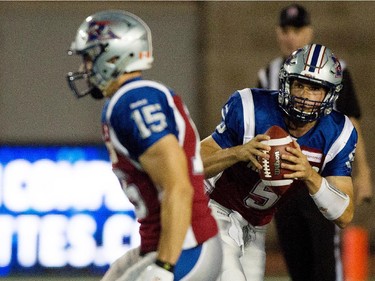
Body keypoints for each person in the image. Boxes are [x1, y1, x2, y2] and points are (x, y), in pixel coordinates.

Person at [66, 10, 222, 281]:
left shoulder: (133, 101)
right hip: (176, 244)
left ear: (113, 56)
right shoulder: (135, 97)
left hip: (187, 248)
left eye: (89, 58)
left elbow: (178, 186)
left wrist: (164, 266)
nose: (84, 69)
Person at [202, 43, 356, 281]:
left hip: (256, 226)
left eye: (315, 88)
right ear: (287, 84)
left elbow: (344, 215)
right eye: (299, 85)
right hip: (216, 210)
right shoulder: (252, 108)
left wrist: (310, 176)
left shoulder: (338, 132)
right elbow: (192, 164)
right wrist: (238, 153)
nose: (305, 96)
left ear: (330, 94)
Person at [256, 4, 373, 280]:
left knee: (325, 264)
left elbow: (350, 125)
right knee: (297, 264)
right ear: (277, 33)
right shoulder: (268, 74)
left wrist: (363, 172)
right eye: (285, 30)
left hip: (322, 178)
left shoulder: (335, 71)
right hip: (284, 185)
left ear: (309, 31)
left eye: (297, 30)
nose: (291, 36)